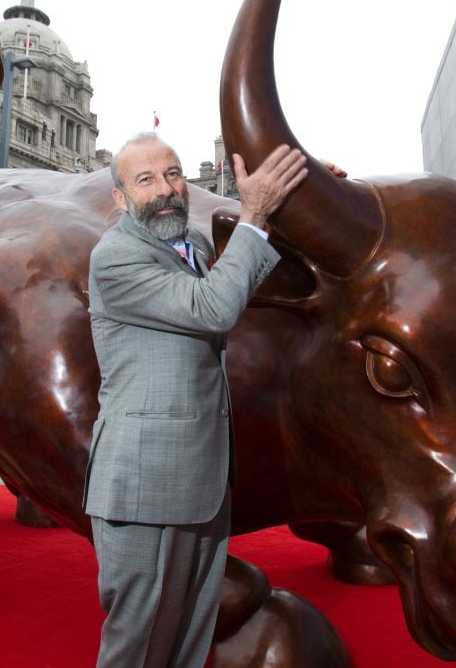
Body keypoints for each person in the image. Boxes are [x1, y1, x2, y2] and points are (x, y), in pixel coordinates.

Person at [85, 133, 308, 667]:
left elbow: (246, 274)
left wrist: (298, 205)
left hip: (201, 477)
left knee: (188, 638)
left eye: (173, 174)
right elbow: (214, 308)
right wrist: (255, 213)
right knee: (139, 646)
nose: (166, 189)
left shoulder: (195, 249)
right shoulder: (115, 259)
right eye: (145, 180)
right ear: (119, 197)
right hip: (146, 487)